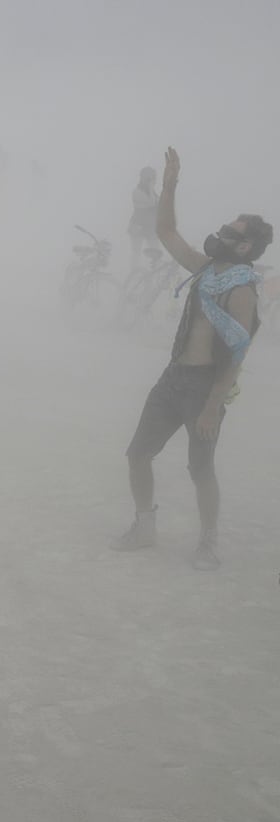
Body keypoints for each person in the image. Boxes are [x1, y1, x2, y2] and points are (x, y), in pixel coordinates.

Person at [112, 148, 267, 571]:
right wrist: (170, 185)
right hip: (173, 377)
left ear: (245, 245)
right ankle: (144, 527)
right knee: (138, 454)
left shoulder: (242, 291)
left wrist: (214, 404)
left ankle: (208, 542)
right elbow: (165, 230)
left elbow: (236, 353)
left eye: (229, 232)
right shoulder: (205, 269)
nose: (219, 235)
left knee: (200, 469)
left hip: (204, 388)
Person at [129, 166, 160, 267]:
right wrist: (150, 186)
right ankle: (135, 271)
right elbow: (151, 203)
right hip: (137, 226)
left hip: (150, 226)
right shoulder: (137, 192)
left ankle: (154, 270)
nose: (153, 180)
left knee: (156, 251)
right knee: (136, 252)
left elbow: (157, 205)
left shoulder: (152, 192)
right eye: (150, 177)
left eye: (153, 177)